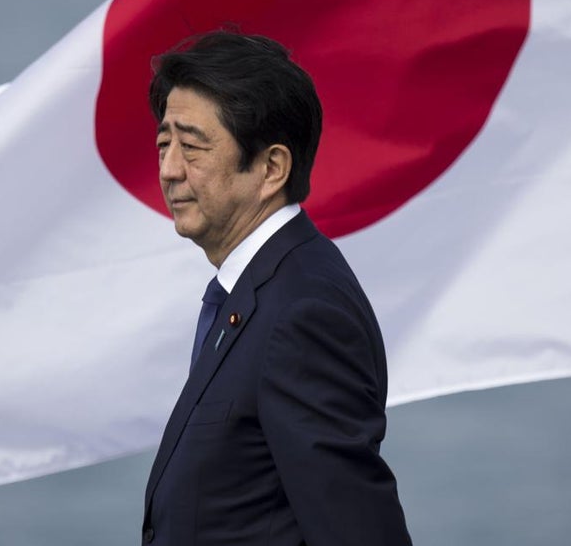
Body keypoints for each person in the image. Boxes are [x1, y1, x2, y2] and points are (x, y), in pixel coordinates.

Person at [141, 32, 411, 545]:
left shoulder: (303, 312)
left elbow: (357, 530)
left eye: (192, 147)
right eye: (163, 143)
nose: (169, 169)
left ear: (271, 168)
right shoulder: (259, 291)